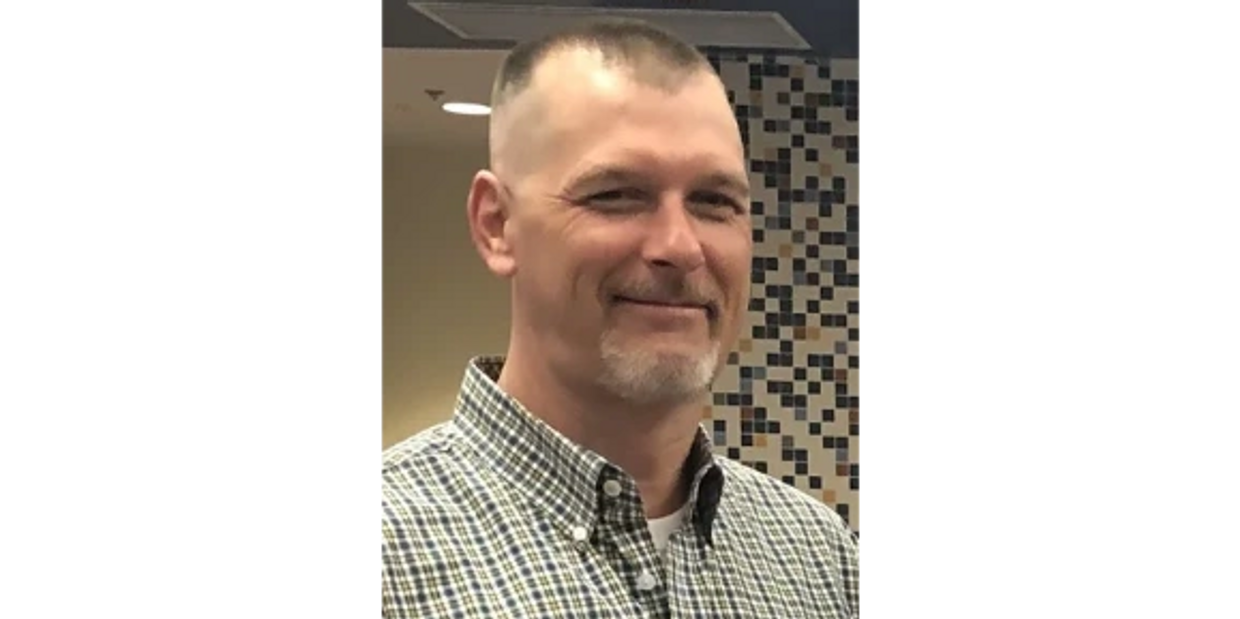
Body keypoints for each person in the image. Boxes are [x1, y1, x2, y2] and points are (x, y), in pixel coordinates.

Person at [379, 18, 862, 618]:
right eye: (616, 195)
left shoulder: (821, 560)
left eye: (714, 201)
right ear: (496, 225)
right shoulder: (392, 561)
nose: (680, 246)